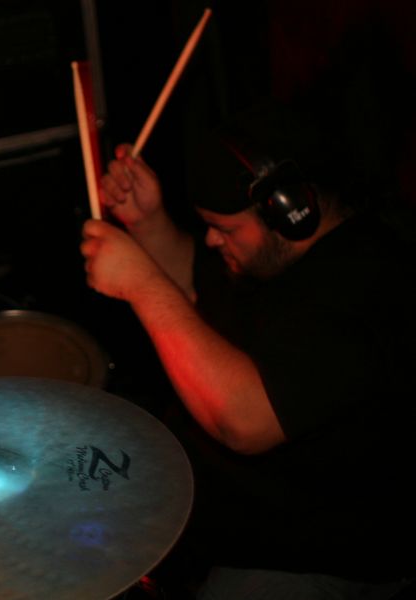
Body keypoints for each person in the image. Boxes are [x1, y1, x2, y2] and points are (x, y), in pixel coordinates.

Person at [80, 100, 416, 599]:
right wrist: (148, 223)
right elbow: (199, 286)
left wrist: (142, 284)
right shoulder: (277, 257)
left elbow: (242, 421)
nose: (212, 241)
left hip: (323, 560)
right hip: (247, 521)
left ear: (292, 211)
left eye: (227, 228)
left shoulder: (370, 288)